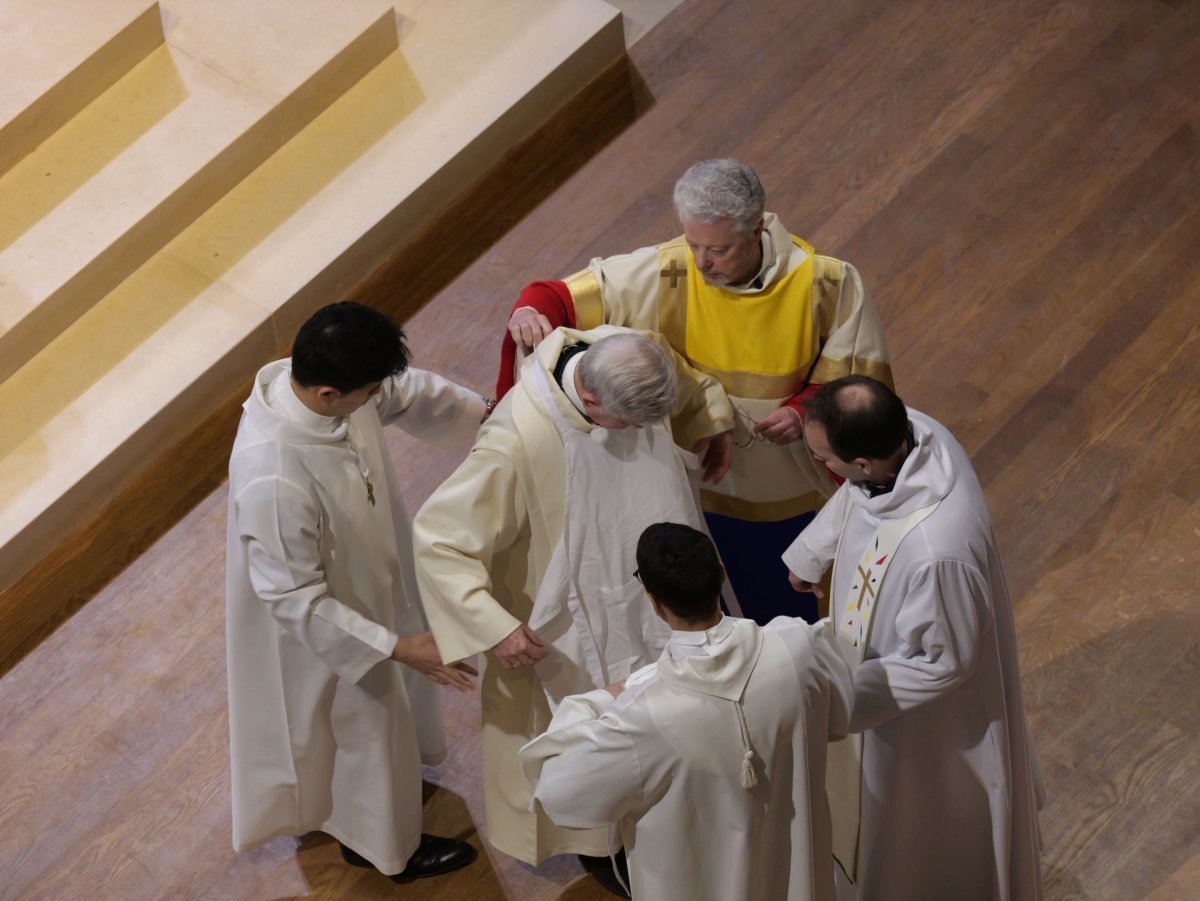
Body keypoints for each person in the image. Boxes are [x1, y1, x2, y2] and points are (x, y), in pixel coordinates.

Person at [497, 158, 892, 624]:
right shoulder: (671, 270)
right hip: (700, 485)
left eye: (719, 250)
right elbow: (558, 296)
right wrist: (527, 309)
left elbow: (856, 383)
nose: (701, 263)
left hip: (789, 486)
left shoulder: (826, 282)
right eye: (693, 244)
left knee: (800, 610)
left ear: (758, 229)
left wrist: (805, 410)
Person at [413, 327, 734, 870]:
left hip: (659, 591)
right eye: (628, 423)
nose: (639, 431)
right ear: (589, 399)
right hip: (569, 629)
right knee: (593, 738)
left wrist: (711, 424)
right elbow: (438, 538)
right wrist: (495, 627)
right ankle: (606, 850)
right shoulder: (517, 440)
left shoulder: (624, 352)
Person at [225, 301, 482, 881]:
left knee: (384, 726)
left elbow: (403, 394)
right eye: (367, 391)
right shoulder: (274, 474)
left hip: (370, 582)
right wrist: (396, 646)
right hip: (328, 630)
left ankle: (386, 803)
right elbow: (294, 598)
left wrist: (491, 417)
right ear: (327, 396)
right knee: (360, 726)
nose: (376, 398)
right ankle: (386, 850)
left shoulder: (332, 389)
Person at [782, 376, 1044, 900]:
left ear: (861, 463)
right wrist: (815, 550)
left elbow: (941, 662)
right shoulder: (910, 434)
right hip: (868, 667)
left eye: (825, 459)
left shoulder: (937, 552)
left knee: (912, 836)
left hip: (924, 723)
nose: (821, 468)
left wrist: (840, 698)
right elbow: (858, 498)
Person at [520, 522, 854, 901]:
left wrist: (597, 700)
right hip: (797, 877)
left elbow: (559, 792)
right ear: (721, 575)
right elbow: (841, 716)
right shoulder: (798, 646)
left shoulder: (639, 715)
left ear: (654, 603)